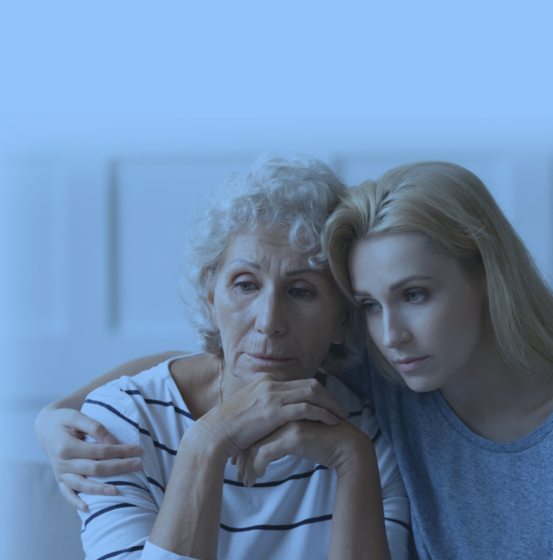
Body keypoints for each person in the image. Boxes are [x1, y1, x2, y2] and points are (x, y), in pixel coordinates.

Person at [37, 160, 553, 559]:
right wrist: (55, 415)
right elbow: (234, 357)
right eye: (370, 304)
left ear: (486, 277)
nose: (391, 333)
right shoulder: (390, 378)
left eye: (415, 295)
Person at [36, 156, 410, 560]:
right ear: (211, 299)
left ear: (343, 319)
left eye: (302, 291)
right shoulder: (126, 423)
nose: (268, 322)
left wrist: (353, 460)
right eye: (245, 285)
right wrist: (206, 443)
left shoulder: (365, 437)